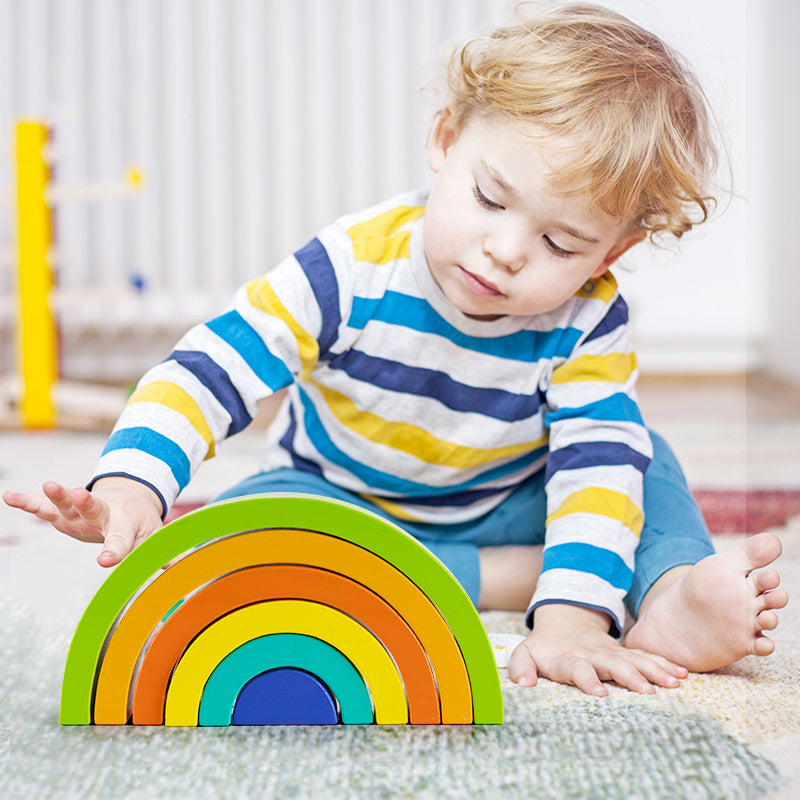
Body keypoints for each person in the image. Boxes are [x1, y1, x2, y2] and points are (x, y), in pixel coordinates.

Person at [3, 3, 787, 697]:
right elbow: (209, 371)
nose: (506, 250)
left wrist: (572, 623)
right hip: (342, 495)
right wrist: (136, 487)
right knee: (240, 536)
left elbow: (593, 470)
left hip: (507, 503)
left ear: (611, 253)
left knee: (638, 459)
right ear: (445, 138)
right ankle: (502, 576)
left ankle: (667, 595)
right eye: (489, 198)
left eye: (559, 240)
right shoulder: (350, 265)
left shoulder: (588, 319)